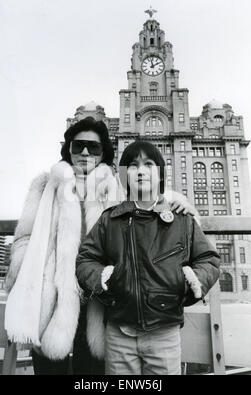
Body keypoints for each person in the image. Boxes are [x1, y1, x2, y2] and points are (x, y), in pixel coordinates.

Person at [4, 118, 198, 375]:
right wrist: (21, 274)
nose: (85, 153)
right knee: (50, 366)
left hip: (100, 294)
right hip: (51, 293)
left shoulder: (116, 186)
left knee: (93, 370)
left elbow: (148, 203)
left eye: (93, 148)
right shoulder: (44, 186)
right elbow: (24, 238)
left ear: (104, 153)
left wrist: (176, 201)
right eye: (78, 145)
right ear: (69, 149)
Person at [76, 141, 220, 375]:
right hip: (118, 332)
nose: (141, 170)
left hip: (165, 333)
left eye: (149, 164)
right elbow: (85, 260)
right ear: (124, 175)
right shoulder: (109, 220)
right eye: (133, 165)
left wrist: (187, 282)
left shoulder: (181, 219)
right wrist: (103, 279)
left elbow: (209, 260)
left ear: (160, 173)